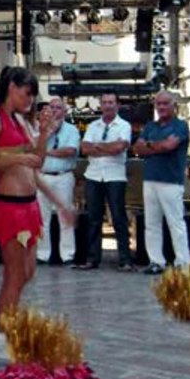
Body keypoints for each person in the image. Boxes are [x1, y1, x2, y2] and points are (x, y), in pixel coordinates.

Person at [0, 68, 75, 363]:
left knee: (27, 272)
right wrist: (15, 158)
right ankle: (0, 339)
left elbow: (38, 162)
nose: (31, 100)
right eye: (27, 93)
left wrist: (44, 132)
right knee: (14, 274)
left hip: (29, 204)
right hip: (9, 205)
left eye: (33, 95)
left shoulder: (21, 119)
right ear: (11, 87)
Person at [132, 90, 190, 275]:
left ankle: (183, 262)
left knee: (175, 223)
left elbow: (170, 146)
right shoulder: (151, 126)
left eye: (165, 103)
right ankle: (156, 261)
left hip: (171, 181)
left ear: (174, 105)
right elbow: (137, 149)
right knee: (152, 223)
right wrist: (157, 146)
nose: (161, 107)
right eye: (158, 104)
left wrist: (150, 145)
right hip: (150, 179)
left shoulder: (181, 125)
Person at [78, 92, 133, 271]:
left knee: (118, 218)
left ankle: (125, 259)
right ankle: (92, 259)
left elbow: (119, 147)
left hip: (115, 176)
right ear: (100, 105)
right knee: (93, 218)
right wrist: (106, 147)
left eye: (111, 102)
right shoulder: (93, 125)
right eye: (104, 102)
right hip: (93, 175)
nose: (108, 105)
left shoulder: (124, 126)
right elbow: (84, 148)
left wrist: (98, 147)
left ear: (117, 105)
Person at [35, 96, 80, 266]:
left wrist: (47, 152)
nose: (54, 111)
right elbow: (33, 150)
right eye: (51, 108)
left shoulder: (71, 130)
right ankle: (42, 254)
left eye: (58, 108)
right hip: (44, 176)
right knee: (42, 218)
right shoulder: (40, 131)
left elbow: (69, 151)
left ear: (64, 111)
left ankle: (67, 255)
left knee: (65, 217)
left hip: (63, 176)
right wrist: (47, 133)